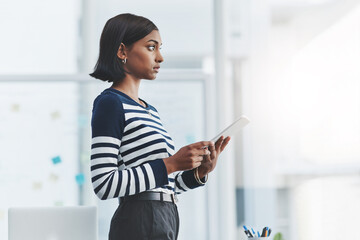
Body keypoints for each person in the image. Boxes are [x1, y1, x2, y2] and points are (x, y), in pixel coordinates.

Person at [89, 13, 231, 240]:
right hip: (138, 220)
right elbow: (104, 183)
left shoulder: (149, 110)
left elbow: (164, 185)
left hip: (166, 215)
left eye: (159, 48)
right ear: (122, 51)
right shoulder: (110, 103)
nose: (160, 57)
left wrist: (199, 172)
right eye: (151, 47)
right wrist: (171, 163)